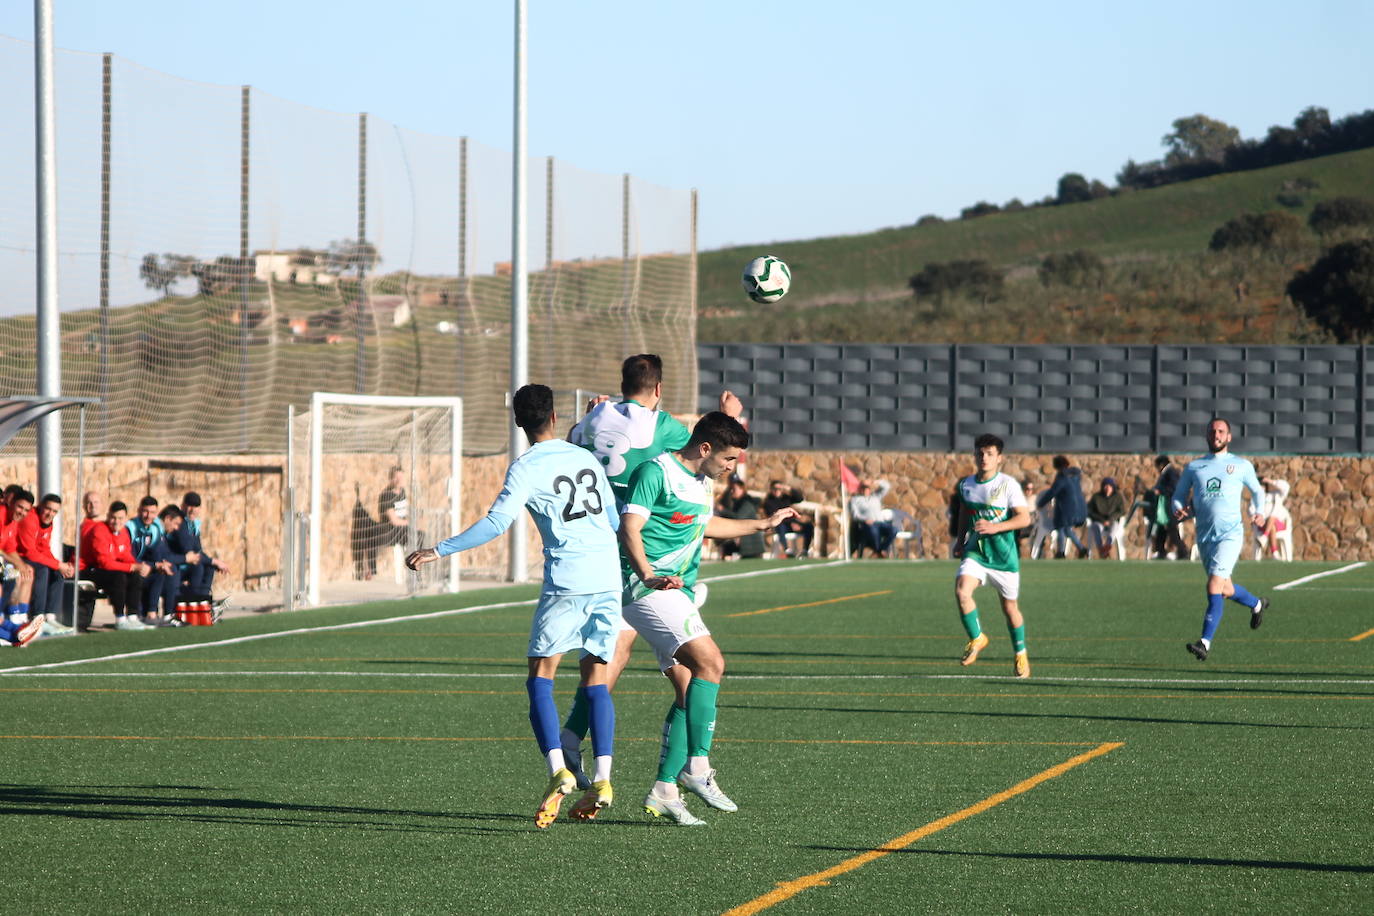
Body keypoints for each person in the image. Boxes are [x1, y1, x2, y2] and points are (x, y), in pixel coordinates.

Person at [406, 384, 621, 829]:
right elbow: (614, 520)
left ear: (519, 423)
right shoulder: (584, 458)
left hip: (569, 579)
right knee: (595, 676)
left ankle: (559, 770)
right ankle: (603, 778)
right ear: (556, 416)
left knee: (540, 678)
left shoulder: (525, 467)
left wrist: (439, 550)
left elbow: (497, 522)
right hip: (607, 578)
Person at [558, 353, 742, 789]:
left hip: (591, 546)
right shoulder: (663, 430)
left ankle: (580, 742)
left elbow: (574, 443)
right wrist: (729, 415)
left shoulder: (591, 419)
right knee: (678, 667)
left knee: (616, 657)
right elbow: (703, 440)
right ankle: (681, 773)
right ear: (658, 390)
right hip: (636, 558)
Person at [619, 411, 796, 825]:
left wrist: (763, 524)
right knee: (712, 663)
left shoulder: (701, 483)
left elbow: (705, 525)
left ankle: (664, 789)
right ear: (705, 449)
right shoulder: (655, 471)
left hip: (677, 594)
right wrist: (646, 573)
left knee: (687, 689)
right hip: (646, 590)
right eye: (729, 458)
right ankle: (696, 767)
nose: (733, 467)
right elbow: (629, 526)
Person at [1172, 417, 1270, 661]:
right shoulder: (1194, 467)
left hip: (1230, 535)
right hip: (1205, 536)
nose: (1216, 434)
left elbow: (1257, 491)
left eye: (1221, 431)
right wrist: (1179, 509)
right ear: (1207, 435)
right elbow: (1178, 496)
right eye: (1213, 431)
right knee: (1224, 588)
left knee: (1214, 585)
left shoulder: (1240, 465)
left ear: (1229, 437)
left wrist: (1259, 512)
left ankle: (1204, 643)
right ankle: (1257, 604)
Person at [953, 433, 1033, 678]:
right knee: (961, 591)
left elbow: (1024, 518)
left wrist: (995, 527)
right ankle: (977, 638)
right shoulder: (966, 484)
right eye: (980, 453)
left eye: (989, 454)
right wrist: (960, 540)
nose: (983, 458)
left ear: (1000, 458)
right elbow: (965, 514)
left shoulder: (1008, 485)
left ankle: (1020, 654)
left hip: (1004, 557)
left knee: (1010, 609)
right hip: (976, 552)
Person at [81, 501, 159, 631]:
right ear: (108, 516)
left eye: (120, 518)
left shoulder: (123, 532)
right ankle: (120, 618)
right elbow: (104, 562)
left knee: (135, 576)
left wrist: (138, 566)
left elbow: (125, 555)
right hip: (91, 569)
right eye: (113, 518)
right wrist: (132, 567)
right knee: (119, 577)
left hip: (109, 570)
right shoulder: (99, 530)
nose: (116, 522)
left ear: (126, 519)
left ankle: (133, 616)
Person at [17, 493, 77, 635]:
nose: (50, 514)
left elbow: (44, 548)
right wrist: (57, 564)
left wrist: (60, 565)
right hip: (20, 557)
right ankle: (37, 618)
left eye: (55, 511)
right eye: (48, 509)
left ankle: (50, 617)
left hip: (31, 556)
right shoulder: (30, 519)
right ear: (40, 506)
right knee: (43, 570)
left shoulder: (49, 522)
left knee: (57, 572)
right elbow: (30, 552)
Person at [170, 492, 230, 604]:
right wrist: (215, 561)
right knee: (198, 567)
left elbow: (198, 551)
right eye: (189, 505)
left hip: (186, 563)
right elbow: (189, 552)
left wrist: (213, 562)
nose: (192, 509)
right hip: (178, 564)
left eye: (196, 506)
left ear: (200, 509)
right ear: (183, 506)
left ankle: (203, 603)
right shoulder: (180, 523)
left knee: (209, 567)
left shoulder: (193, 525)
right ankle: (194, 603)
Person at [1036, 456, 1088, 558]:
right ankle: (1081, 549)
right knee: (1067, 529)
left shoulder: (1062, 478)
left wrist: (1040, 504)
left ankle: (1061, 552)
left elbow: (1052, 492)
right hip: (1079, 508)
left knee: (1060, 527)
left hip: (1067, 508)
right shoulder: (1075, 476)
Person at [0, 490, 36, 629]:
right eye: (20, 507)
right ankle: (7, 617)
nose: (22, 512)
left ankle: (21, 616)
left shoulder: (13, 522)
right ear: (12, 503)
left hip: (2, 560)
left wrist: (21, 564)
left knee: (28, 571)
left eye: (26, 510)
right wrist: (16, 565)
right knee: (12, 575)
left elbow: (9, 548)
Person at [714, 475, 765, 559]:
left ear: (742, 489)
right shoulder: (736, 502)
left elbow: (738, 517)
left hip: (751, 544)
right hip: (743, 541)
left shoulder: (747, 502)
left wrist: (723, 510)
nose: (732, 492)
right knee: (726, 547)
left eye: (734, 489)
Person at [1150, 455, 1188, 559]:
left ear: (1161, 465)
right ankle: (1160, 551)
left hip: (1171, 505)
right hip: (1167, 505)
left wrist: (1160, 491)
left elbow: (1173, 488)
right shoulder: (1169, 472)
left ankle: (1183, 552)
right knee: (1162, 527)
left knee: (1172, 529)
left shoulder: (1171, 472)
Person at [763, 480, 813, 557]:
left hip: (791, 523)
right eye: (775, 489)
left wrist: (789, 489)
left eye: (779, 489)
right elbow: (775, 516)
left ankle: (805, 549)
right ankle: (787, 549)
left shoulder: (786, 498)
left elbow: (799, 498)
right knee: (780, 526)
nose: (777, 491)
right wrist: (791, 523)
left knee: (808, 526)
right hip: (780, 525)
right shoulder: (768, 502)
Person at [849, 478, 896, 557]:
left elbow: (887, 486)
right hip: (867, 524)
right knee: (873, 530)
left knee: (894, 530)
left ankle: (880, 550)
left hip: (880, 523)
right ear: (860, 489)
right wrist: (864, 519)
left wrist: (874, 481)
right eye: (863, 488)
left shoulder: (876, 496)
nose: (865, 490)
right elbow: (855, 515)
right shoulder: (855, 500)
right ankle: (879, 551)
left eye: (867, 488)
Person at [1087, 477, 1127, 559]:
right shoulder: (1096, 497)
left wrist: (1110, 520)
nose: (1107, 488)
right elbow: (1089, 511)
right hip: (1099, 521)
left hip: (1112, 521)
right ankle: (1101, 549)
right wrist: (1101, 520)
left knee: (1114, 528)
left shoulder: (1117, 497)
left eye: (1109, 486)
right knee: (1096, 527)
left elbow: (1122, 511)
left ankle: (1107, 547)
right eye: (1105, 486)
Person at [1254, 475, 1292, 560]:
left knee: (1273, 518)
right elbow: (1251, 510)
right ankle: (1275, 553)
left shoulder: (1276, 495)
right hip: (1262, 524)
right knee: (1272, 526)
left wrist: (1271, 481)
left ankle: (1264, 538)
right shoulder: (1255, 499)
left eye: (1263, 486)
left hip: (1278, 524)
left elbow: (1286, 487)